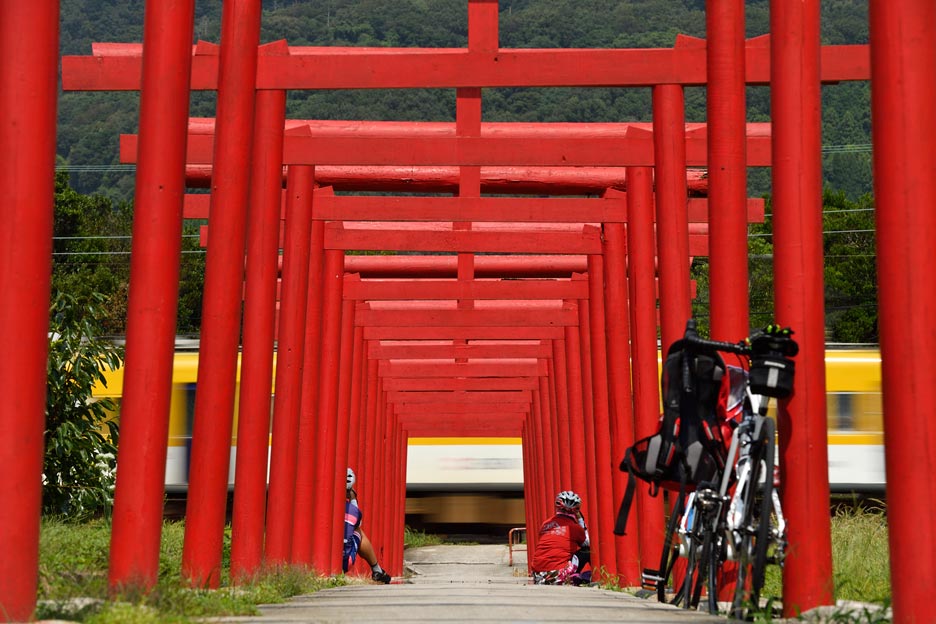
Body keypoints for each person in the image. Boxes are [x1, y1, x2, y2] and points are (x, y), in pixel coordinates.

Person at [531, 490, 591, 585]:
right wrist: (580, 519)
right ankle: (599, 578)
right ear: (576, 510)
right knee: (587, 551)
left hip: (537, 574)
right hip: (557, 575)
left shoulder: (546, 524)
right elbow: (587, 543)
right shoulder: (575, 528)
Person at [343, 467, 392, 583]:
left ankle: (377, 570)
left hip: (319, 559)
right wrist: (353, 499)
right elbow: (357, 524)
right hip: (344, 562)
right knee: (358, 531)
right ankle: (376, 569)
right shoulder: (353, 511)